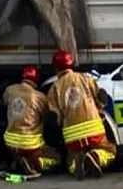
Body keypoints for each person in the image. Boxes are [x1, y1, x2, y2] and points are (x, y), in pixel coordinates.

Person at [46, 50, 116, 180]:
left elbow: (55, 117)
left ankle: (78, 163)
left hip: (72, 134)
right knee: (110, 150)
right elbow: (100, 101)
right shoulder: (85, 78)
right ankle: (95, 157)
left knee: (71, 161)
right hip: (94, 129)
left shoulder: (54, 88)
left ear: (55, 67)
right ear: (72, 63)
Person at [2, 65, 62, 175]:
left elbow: (5, 101)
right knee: (56, 158)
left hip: (9, 143)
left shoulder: (10, 90)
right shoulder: (40, 98)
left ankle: (17, 161)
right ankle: (35, 163)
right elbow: (47, 118)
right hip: (30, 145)